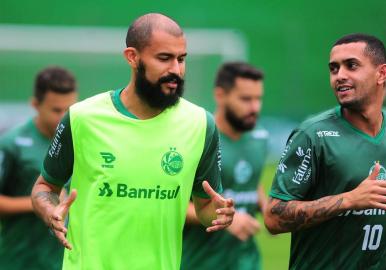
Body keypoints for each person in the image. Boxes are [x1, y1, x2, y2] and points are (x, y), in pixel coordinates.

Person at [30, 13, 235, 270]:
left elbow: (205, 207)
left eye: (181, 59)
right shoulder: (82, 117)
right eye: (164, 58)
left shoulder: (201, 124)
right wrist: (51, 212)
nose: (176, 70)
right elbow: (44, 187)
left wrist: (218, 214)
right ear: (132, 57)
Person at [264, 33, 386, 269]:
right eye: (334, 69)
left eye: (351, 66)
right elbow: (274, 217)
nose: (340, 76)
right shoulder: (312, 135)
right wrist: (350, 200)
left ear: (382, 74)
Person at [181, 62, 268, 269]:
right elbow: (175, 205)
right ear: (220, 95)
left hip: (248, 262)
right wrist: (227, 218)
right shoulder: (198, 139)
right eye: (246, 99)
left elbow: (250, 183)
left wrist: (268, 208)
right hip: (201, 262)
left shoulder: (260, 138)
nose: (255, 107)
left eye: (258, 99)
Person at [0, 66, 77, 270]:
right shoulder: (11, 144)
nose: (64, 117)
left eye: (69, 109)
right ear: (35, 104)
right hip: (19, 261)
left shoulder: (80, 143)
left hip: (63, 262)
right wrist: (43, 199)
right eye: (56, 110)